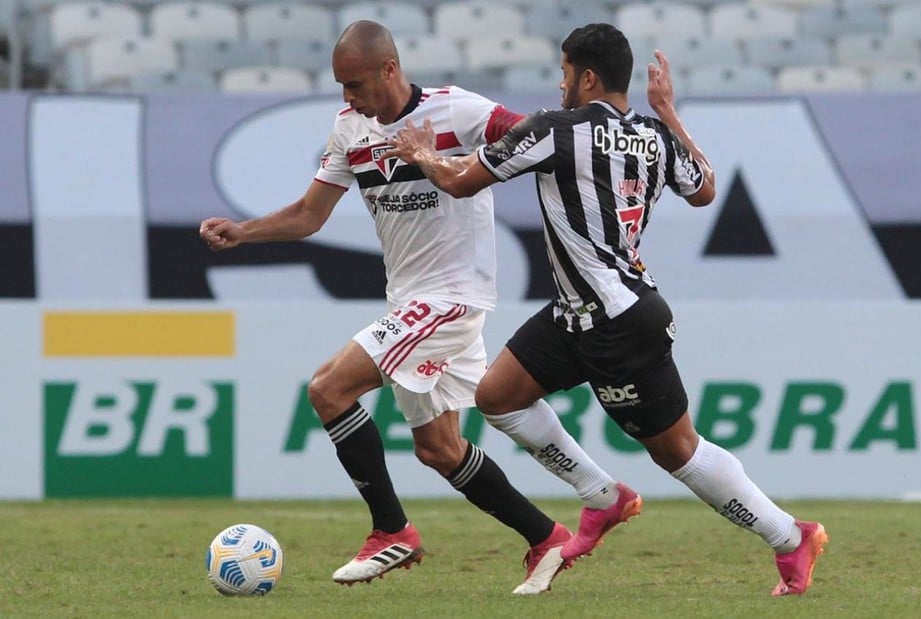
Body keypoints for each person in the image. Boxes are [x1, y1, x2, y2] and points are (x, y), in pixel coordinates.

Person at [386, 23, 828, 596]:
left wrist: (422, 153)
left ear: (588, 77)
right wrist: (668, 113)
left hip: (618, 321)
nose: (560, 83)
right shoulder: (653, 135)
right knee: (497, 396)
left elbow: (462, 182)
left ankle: (790, 537)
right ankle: (602, 495)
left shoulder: (553, 129)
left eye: (565, 72)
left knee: (678, 451)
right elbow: (704, 190)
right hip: (576, 312)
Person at [199, 20, 633, 596]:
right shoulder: (349, 128)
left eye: (356, 84)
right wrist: (243, 231)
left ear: (389, 69)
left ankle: (390, 530)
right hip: (409, 300)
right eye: (341, 85)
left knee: (328, 389)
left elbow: (537, 138)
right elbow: (309, 215)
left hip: (452, 298)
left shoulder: (457, 110)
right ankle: (545, 536)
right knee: (438, 449)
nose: (348, 96)